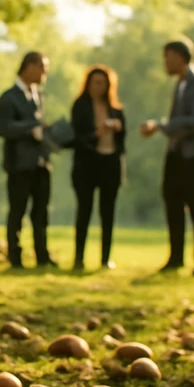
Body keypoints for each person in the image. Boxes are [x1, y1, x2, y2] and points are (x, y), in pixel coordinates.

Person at [140, 37, 194, 275]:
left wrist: (162, 126)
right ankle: (175, 258)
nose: (165, 63)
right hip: (176, 153)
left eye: (167, 57)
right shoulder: (180, 85)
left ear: (180, 57)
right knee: (173, 203)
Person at [0, 51, 56, 269]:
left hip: (40, 163)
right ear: (30, 67)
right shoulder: (9, 97)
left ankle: (42, 254)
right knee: (17, 210)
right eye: (42, 69)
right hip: (19, 165)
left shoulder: (38, 96)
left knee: (41, 211)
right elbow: (2, 127)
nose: (44, 74)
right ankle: (15, 256)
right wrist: (30, 129)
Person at [70, 65, 126, 271]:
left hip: (110, 165)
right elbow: (76, 138)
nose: (99, 87)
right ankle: (79, 258)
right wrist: (97, 133)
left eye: (103, 83)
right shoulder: (80, 107)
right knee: (84, 211)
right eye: (95, 82)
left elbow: (123, 141)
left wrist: (117, 129)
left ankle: (105, 258)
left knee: (108, 213)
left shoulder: (116, 109)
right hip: (87, 166)